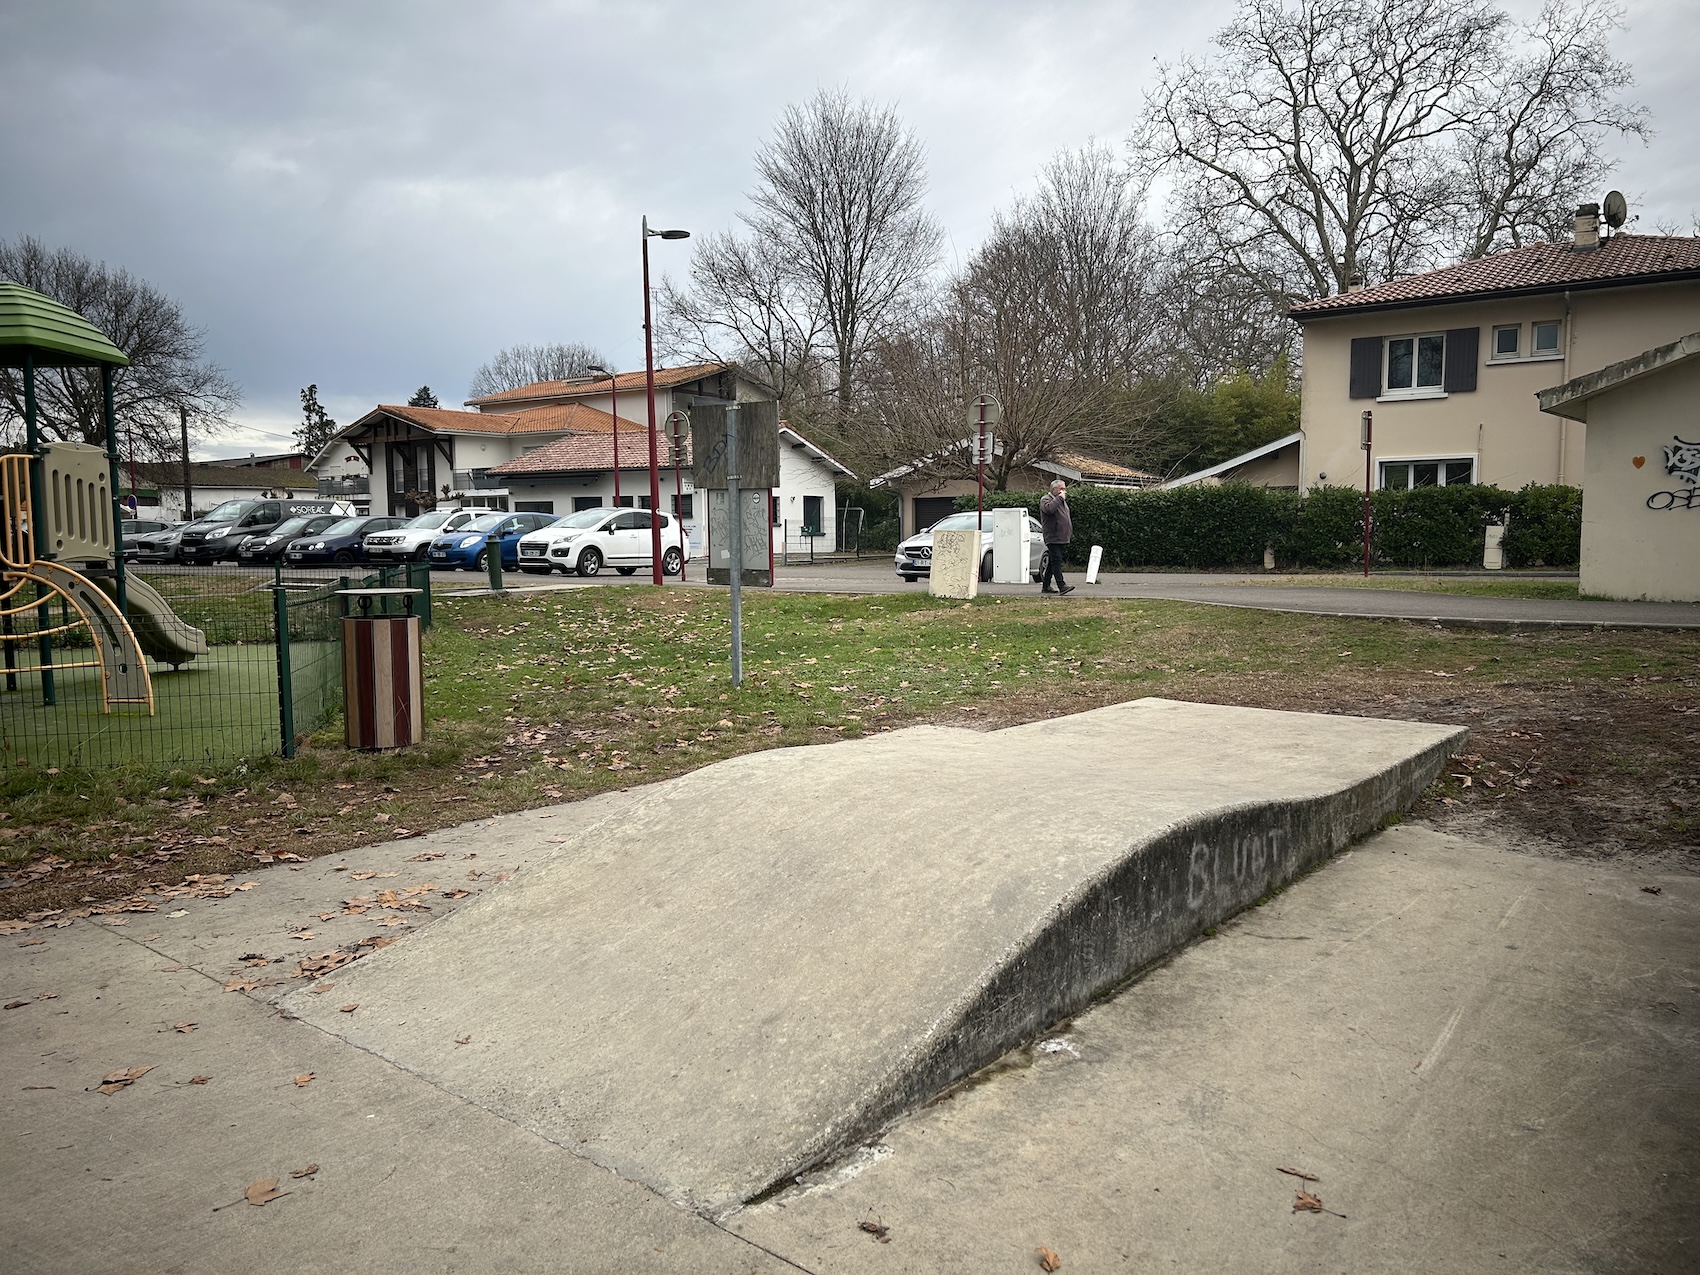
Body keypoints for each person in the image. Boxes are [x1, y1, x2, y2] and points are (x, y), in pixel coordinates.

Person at [1038, 479, 1073, 595]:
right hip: (1052, 536)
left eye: (1064, 489)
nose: (1063, 491)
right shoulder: (1046, 499)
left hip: (1061, 536)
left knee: (1053, 562)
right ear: (1054, 489)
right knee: (1057, 560)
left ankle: (1046, 586)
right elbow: (1049, 509)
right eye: (1061, 489)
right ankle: (1062, 585)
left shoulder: (1061, 501)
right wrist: (1059, 498)